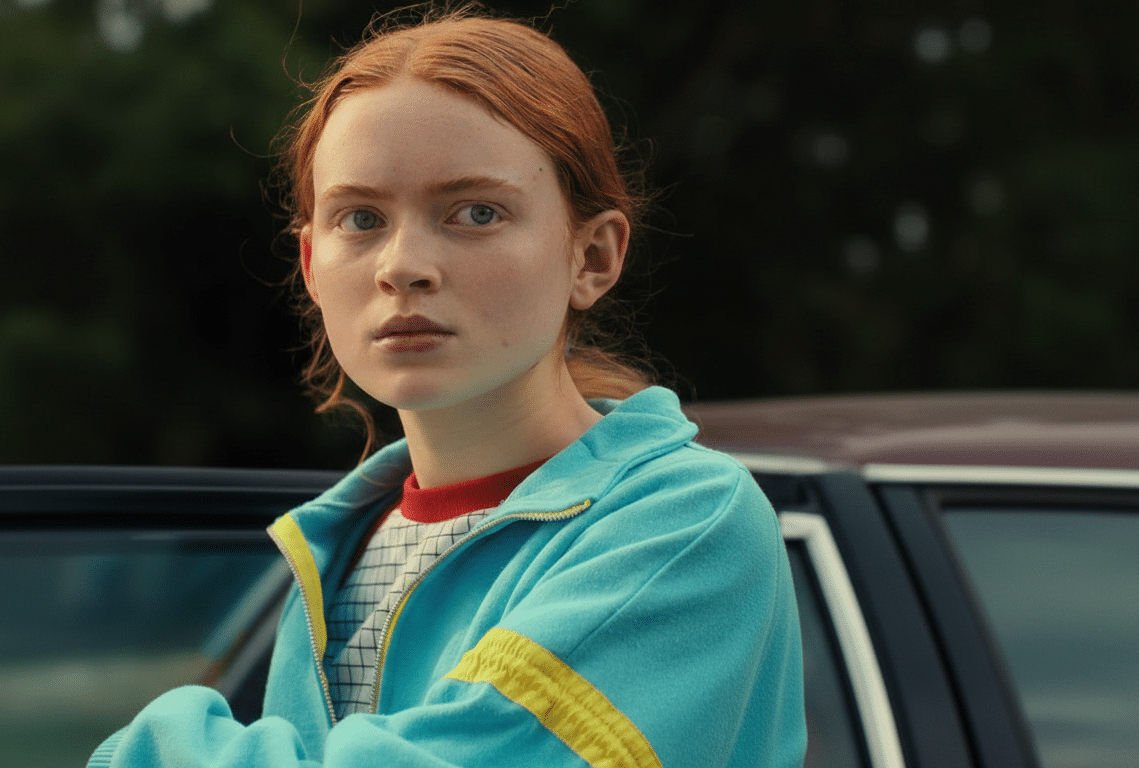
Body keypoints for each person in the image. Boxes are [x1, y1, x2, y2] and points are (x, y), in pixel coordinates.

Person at [88, 7, 805, 768]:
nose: (403, 265)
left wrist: (153, 744)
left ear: (591, 256)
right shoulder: (336, 544)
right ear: (310, 268)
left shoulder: (686, 522)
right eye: (360, 217)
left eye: (476, 212)